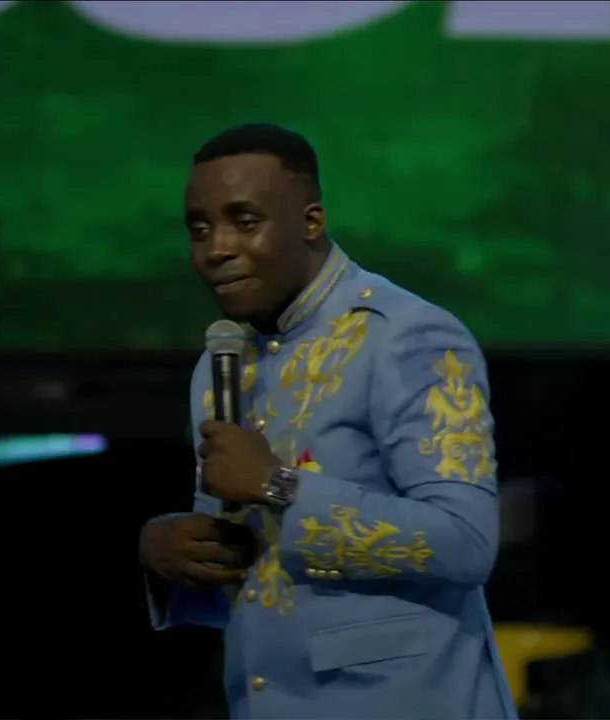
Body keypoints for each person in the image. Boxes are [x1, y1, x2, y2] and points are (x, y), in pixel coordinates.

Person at [138, 123, 516, 719]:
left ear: (311, 222)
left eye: (245, 221)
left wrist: (277, 486)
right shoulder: (221, 363)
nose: (216, 249)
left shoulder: (406, 336)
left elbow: (466, 542)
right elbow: (257, 581)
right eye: (200, 228)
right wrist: (171, 556)